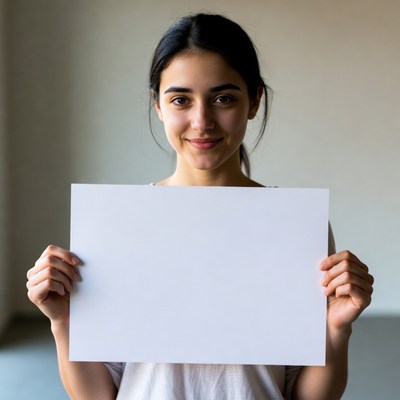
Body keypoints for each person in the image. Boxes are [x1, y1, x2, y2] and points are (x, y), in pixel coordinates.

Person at [26, 13, 374, 400]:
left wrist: (336, 329)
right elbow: (97, 396)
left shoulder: (296, 226)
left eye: (223, 98)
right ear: (157, 105)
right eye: (180, 100)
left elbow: (306, 396)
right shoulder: (119, 225)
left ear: (255, 100)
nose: (202, 121)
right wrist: (64, 323)